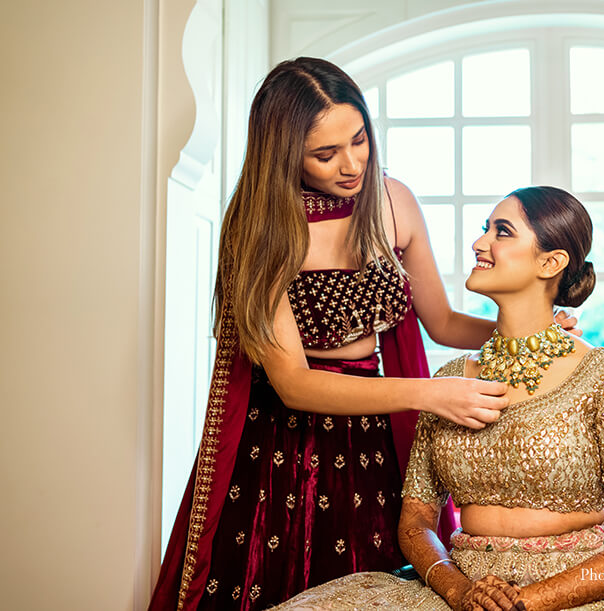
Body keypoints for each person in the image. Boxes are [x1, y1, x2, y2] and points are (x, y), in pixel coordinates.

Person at [149, 58, 578, 611]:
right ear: (283, 154)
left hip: (373, 443)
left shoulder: (393, 200)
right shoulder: (262, 228)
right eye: (325, 155)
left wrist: (531, 328)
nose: (351, 164)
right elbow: (295, 385)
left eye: (359, 140)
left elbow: (442, 323)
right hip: (285, 450)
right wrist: (431, 395)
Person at [275, 186, 604, 611]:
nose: (480, 242)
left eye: (503, 232)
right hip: (462, 592)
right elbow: (416, 524)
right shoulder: (449, 382)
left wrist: (521, 604)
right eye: (485, 229)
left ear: (550, 262)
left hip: (571, 593)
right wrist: (461, 591)